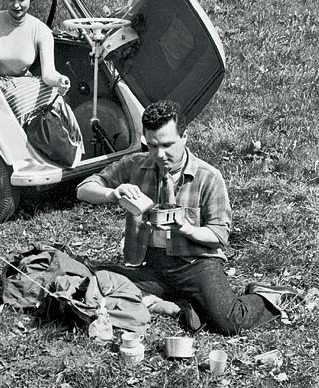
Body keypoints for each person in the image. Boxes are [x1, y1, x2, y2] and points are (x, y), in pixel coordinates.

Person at [76, 100, 297, 335]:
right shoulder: (135, 165)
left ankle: (266, 295)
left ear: (184, 137)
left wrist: (185, 228)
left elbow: (219, 236)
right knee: (93, 280)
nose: (160, 154)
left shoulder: (208, 177)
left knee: (230, 322)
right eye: (152, 145)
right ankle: (180, 302)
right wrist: (112, 193)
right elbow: (83, 189)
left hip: (196, 264)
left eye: (168, 145)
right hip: (150, 263)